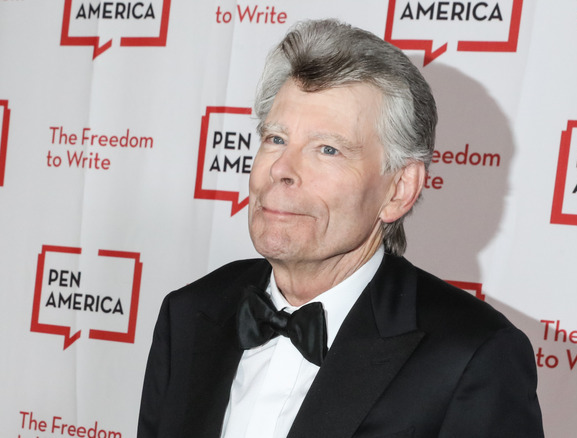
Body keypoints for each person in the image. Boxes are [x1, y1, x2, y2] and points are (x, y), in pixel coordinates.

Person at [139, 19, 543, 438]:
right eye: (275, 139)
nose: (281, 169)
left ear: (399, 190)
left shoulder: (472, 357)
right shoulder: (190, 313)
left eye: (327, 149)